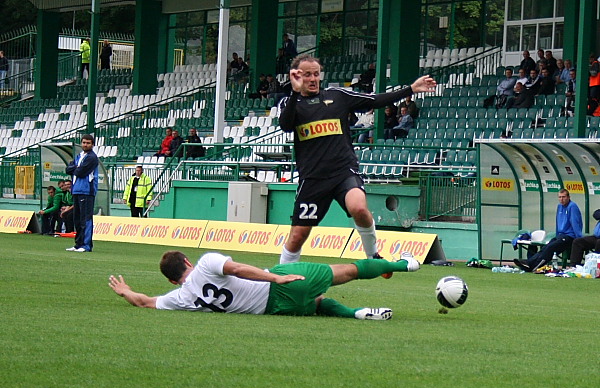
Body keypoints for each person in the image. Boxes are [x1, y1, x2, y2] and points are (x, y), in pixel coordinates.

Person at [276, 54, 436, 265]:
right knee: (298, 235)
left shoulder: (336, 96)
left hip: (344, 171)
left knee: (359, 208)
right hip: (313, 178)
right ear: (296, 76)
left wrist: (411, 89)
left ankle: (372, 256)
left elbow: (374, 100)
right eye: (307, 75)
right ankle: (282, 273)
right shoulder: (289, 102)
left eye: (316, 74)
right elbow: (286, 125)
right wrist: (295, 92)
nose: (313, 79)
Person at [108, 249, 420, 319]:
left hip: (278, 309)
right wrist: (276, 276)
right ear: (187, 262)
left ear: (172, 279)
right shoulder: (205, 263)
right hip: (279, 287)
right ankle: (405, 263)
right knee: (349, 270)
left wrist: (126, 292)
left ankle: (357, 314)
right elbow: (240, 268)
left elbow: (145, 302)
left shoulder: (182, 297)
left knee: (318, 304)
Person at [514, 189, 583, 272]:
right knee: (546, 247)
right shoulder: (559, 206)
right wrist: (557, 235)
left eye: (564, 197)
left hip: (569, 236)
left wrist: (578, 238)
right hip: (560, 236)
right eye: (560, 197)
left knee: (550, 248)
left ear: (568, 197)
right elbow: (558, 222)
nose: (561, 199)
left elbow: (575, 222)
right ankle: (529, 263)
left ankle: (531, 264)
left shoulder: (572, 206)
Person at [65, 134, 99, 252]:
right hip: (77, 190)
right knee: (77, 219)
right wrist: (75, 168)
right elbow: (68, 169)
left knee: (86, 219)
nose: (85, 145)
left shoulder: (92, 157)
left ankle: (86, 245)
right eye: (84, 142)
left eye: (88, 143)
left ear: (92, 144)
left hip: (86, 191)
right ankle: (78, 244)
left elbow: (80, 172)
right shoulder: (79, 156)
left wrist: (75, 168)